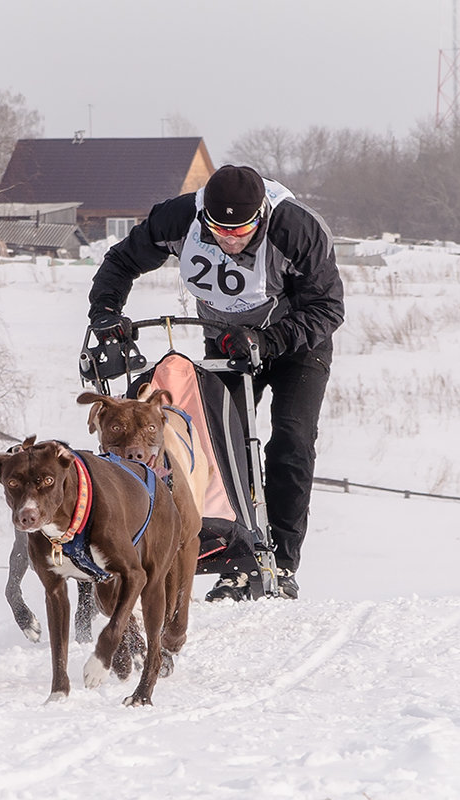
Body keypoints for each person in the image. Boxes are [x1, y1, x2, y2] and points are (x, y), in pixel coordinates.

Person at [86, 164, 344, 601]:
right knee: (220, 447)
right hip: (227, 339)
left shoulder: (296, 229)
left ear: (260, 216)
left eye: (241, 230)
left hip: (297, 340)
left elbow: (328, 307)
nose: (230, 239)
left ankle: (281, 561)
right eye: (219, 230)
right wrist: (106, 312)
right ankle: (236, 555)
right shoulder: (180, 217)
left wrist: (268, 339)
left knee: (291, 442)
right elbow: (122, 260)